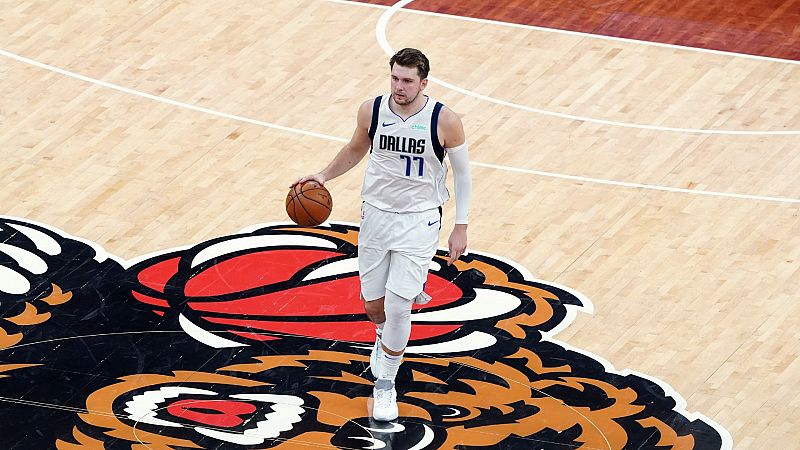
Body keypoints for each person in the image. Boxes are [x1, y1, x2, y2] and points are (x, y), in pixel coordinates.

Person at [291, 48, 472, 422]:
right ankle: (385, 335)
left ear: (423, 83)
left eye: (407, 80)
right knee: (375, 307)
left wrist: (461, 225)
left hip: (419, 220)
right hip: (375, 215)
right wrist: (323, 175)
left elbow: (463, 175)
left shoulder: (444, 121)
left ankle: (385, 384)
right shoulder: (372, 111)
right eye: (395, 78)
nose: (399, 86)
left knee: (399, 305)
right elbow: (355, 149)